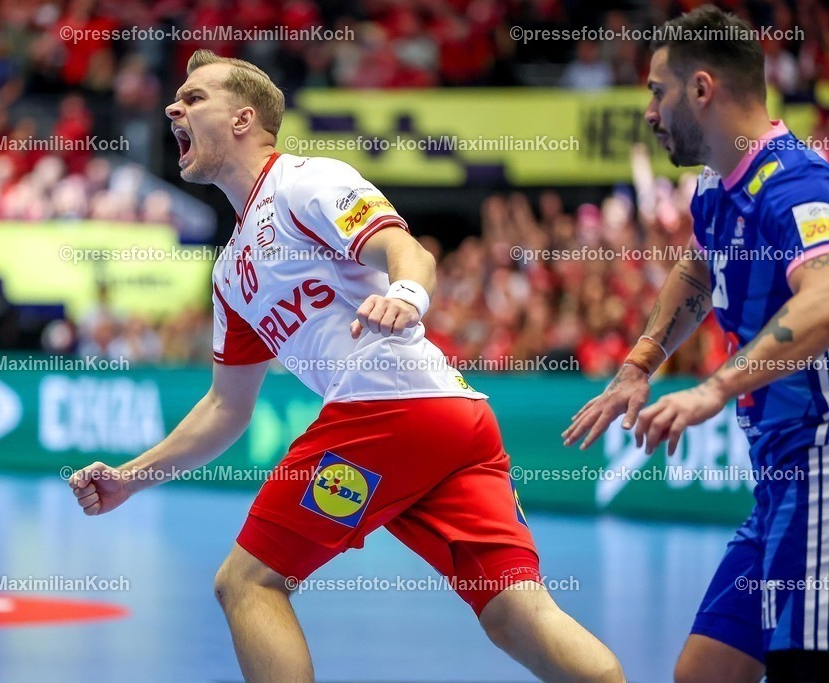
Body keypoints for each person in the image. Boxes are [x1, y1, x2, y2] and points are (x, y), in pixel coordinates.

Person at [69, 49, 624, 682]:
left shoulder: (306, 181)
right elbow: (227, 407)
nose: (175, 106)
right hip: (450, 422)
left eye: (195, 98)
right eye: (177, 98)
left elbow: (403, 250)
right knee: (512, 613)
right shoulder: (229, 272)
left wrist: (406, 297)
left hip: (388, 407)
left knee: (247, 583)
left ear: (245, 118)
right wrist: (131, 479)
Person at [563, 6, 829, 683]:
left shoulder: (795, 183)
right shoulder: (716, 189)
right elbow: (699, 268)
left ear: (702, 88)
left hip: (820, 468)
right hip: (777, 483)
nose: (649, 112)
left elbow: (825, 297)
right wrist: (639, 363)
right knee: (704, 672)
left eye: (658, 91)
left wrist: (713, 386)